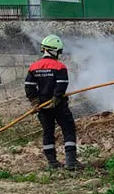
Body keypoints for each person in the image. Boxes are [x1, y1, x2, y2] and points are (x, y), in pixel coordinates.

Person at [25, 34, 83, 171]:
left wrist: (34, 102)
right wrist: (56, 98)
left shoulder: (34, 67)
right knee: (68, 129)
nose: (59, 54)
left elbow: (29, 86)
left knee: (48, 131)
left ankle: (52, 162)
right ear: (54, 50)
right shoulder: (59, 67)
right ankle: (70, 161)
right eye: (59, 51)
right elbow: (62, 85)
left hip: (42, 106)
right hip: (59, 105)